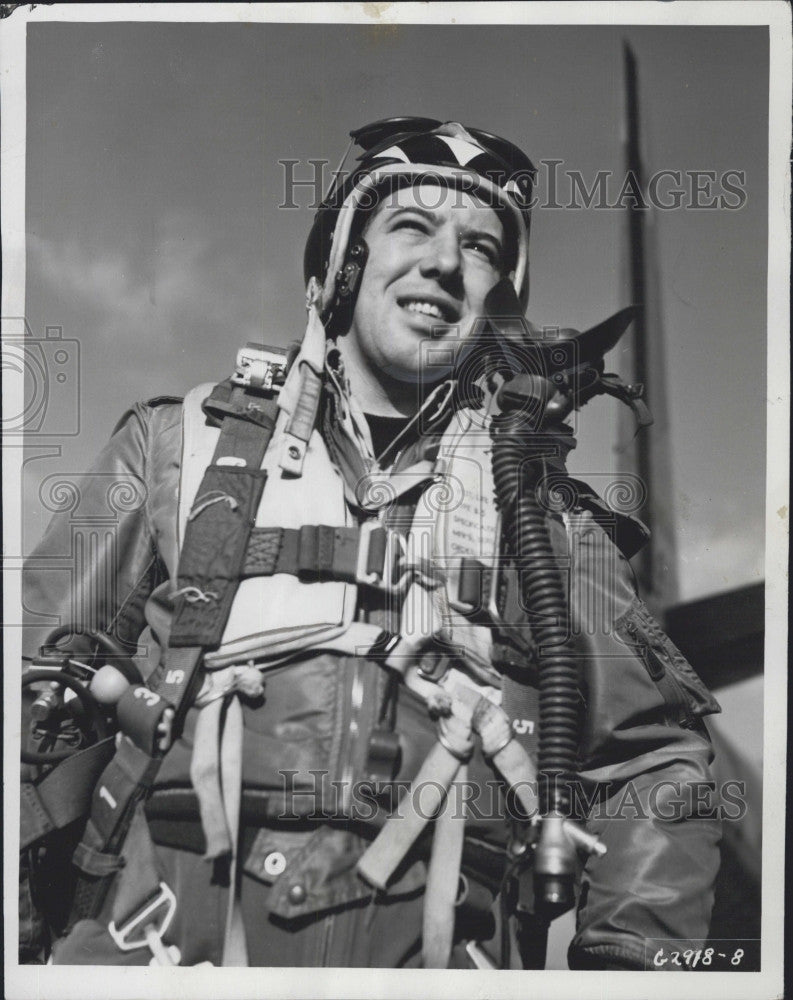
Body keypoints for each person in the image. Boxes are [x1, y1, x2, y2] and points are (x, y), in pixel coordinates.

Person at [20, 118, 723, 970]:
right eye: (411, 226)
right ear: (345, 263)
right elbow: (33, 691)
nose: (442, 262)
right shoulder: (170, 448)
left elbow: (655, 764)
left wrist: (629, 976)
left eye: (480, 248)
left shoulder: (548, 520)